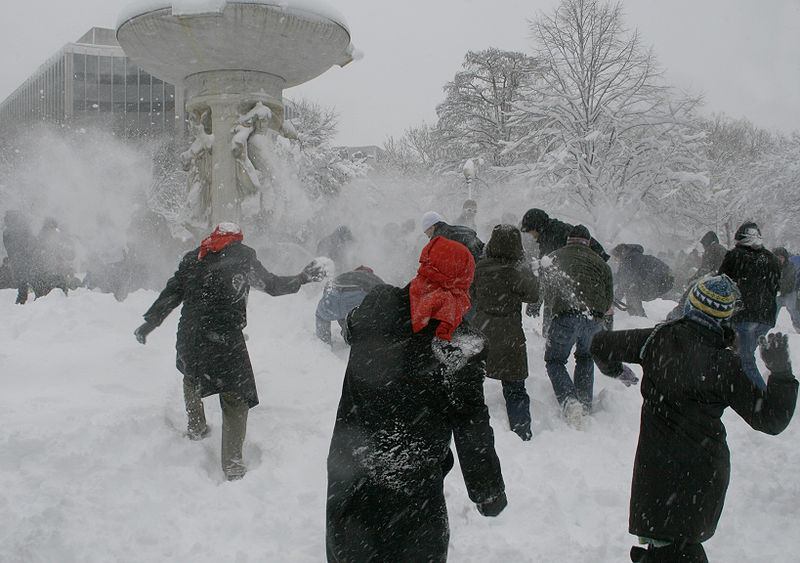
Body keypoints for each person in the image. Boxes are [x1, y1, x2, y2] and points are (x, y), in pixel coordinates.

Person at [590, 274, 798, 563]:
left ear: (691, 305)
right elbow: (771, 420)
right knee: (678, 549)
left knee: (670, 548)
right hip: (702, 476)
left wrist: (615, 370)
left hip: (657, 473)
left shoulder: (657, 340)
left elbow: (600, 343)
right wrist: (782, 374)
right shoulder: (724, 364)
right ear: (726, 317)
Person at [326, 236, 506, 562]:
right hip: (413, 479)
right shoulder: (460, 344)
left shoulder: (376, 306)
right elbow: (470, 421)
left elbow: (352, 326)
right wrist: (487, 490)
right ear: (465, 282)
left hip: (352, 466)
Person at [133, 223, 325, 481]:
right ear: (235, 239)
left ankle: (197, 427)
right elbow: (271, 285)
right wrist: (302, 278)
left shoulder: (194, 257)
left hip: (190, 332)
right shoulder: (243, 256)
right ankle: (233, 465)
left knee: (191, 375)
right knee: (235, 396)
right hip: (223, 337)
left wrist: (150, 322)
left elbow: (172, 293)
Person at [541, 225, 616, 428]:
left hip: (564, 317)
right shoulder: (600, 263)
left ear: (568, 240)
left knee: (555, 360)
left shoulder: (554, 257)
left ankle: (569, 401)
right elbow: (609, 297)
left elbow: (545, 287)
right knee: (585, 357)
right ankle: (584, 403)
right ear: (588, 243)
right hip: (592, 319)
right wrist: (598, 315)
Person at [471, 224, 540, 440]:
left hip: (482, 331)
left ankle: (474, 429)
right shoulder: (518, 269)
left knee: (473, 382)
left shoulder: (481, 267)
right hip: (510, 334)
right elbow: (533, 295)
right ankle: (522, 432)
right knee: (515, 386)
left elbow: (471, 292)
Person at [718, 221, 781, 390]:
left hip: (745, 315)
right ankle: (741, 390)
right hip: (766, 317)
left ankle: (763, 396)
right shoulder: (772, 258)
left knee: (744, 360)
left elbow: (722, 282)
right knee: (744, 356)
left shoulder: (735, 256)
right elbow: (776, 287)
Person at [315, 265, 384, 346]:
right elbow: (384, 293)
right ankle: (358, 341)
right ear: (369, 272)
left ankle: (323, 344)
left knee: (321, 315)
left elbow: (327, 288)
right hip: (355, 297)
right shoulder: (372, 278)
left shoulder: (345, 275)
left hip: (333, 294)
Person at [611, 243, 674, 317]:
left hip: (661, 279)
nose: (616, 260)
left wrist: (613, 303)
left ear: (620, 255)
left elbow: (624, 283)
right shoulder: (633, 256)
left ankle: (638, 317)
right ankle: (637, 316)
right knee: (632, 290)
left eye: (616, 258)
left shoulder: (630, 260)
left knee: (631, 291)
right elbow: (620, 277)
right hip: (665, 279)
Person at [3, 210, 38, 304]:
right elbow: (31, 242)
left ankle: (22, 300)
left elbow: (9, 248)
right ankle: (38, 295)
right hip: (25, 258)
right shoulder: (23, 229)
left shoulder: (7, 232)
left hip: (16, 260)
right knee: (32, 278)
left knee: (21, 282)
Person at [772, 247, 800, 332]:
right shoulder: (772, 266)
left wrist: (782, 289)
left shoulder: (790, 266)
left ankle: (798, 326)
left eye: (781, 257)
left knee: (792, 309)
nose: (779, 259)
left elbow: (790, 280)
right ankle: (770, 326)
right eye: (777, 257)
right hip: (777, 292)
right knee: (774, 309)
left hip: (789, 292)